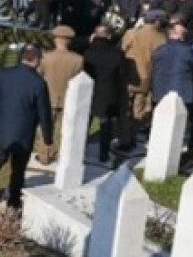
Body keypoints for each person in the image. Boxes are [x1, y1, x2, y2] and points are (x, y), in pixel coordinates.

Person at [0, 45, 53, 211]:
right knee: (18, 168)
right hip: (23, 132)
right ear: (35, 60)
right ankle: (13, 204)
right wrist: (48, 137)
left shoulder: (3, 75)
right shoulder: (38, 83)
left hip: (3, 127)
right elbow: (44, 113)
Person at [152, 15, 193, 151]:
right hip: (182, 92)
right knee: (181, 125)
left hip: (161, 91)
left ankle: (159, 147)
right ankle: (180, 148)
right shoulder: (187, 51)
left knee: (161, 123)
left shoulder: (159, 50)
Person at [119, 10, 168, 150]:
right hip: (146, 78)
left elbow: (122, 50)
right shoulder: (161, 38)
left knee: (125, 109)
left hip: (128, 76)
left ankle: (124, 137)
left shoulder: (131, 33)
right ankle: (132, 137)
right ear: (157, 21)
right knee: (138, 109)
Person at [37, 25, 84, 165]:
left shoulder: (46, 58)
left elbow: (38, 76)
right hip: (68, 98)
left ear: (55, 40)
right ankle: (63, 154)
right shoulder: (78, 59)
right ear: (69, 41)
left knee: (45, 128)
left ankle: (44, 155)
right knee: (66, 129)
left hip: (48, 98)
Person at [84, 25, 125, 163]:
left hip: (89, 90)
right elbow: (121, 75)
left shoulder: (88, 52)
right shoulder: (117, 53)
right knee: (106, 125)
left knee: (85, 122)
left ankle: (80, 149)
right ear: (109, 36)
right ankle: (103, 154)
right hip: (108, 91)